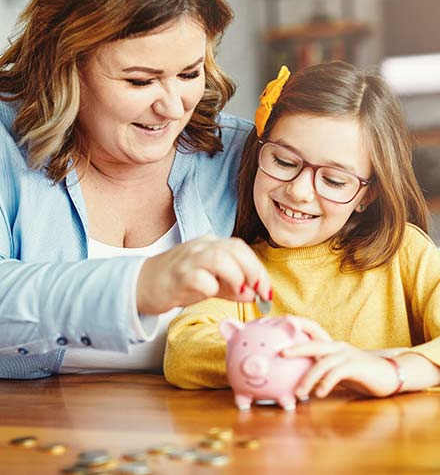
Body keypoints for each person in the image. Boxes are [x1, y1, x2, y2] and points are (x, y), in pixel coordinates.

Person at [0, 0, 272, 379]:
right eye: (140, 81)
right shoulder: (7, 141)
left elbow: (371, 253)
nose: (172, 107)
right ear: (65, 64)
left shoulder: (242, 154)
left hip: (209, 433)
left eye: (188, 74)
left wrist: (399, 367)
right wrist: (140, 285)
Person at [164, 61, 440, 398]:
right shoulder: (242, 268)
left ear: (367, 195)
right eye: (283, 161)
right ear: (259, 152)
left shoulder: (405, 254)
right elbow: (183, 349)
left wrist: (393, 370)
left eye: (334, 180)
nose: (299, 191)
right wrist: (290, 358)